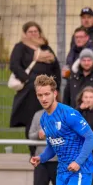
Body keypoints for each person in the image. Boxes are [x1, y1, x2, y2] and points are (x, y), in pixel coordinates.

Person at [9, 21, 61, 156]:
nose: (33, 34)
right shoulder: (20, 47)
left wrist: (56, 88)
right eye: (30, 32)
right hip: (30, 93)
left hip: (47, 93)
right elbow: (14, 65)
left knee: (49, 119)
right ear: (25, 33)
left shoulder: (46, 48)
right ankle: (33, 152)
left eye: (36, 31)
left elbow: (56, 68)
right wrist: (27, 80)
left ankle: (50, 151)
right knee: (32, 121)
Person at [28, 109, 58, 185]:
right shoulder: (38, 114)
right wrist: (39, 134)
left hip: (59, 160)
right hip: (41, 159)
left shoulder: (64, 114)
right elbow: (31, 135)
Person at [63, 48, 93, 113]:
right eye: (84, 60)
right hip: (75, 115)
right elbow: (66, 98)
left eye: (89, 60)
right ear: (80, 61)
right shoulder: (73, 77)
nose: (86, 63)